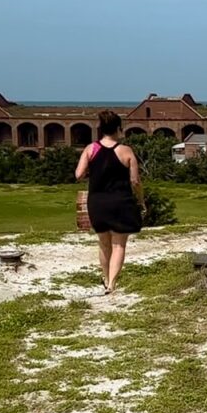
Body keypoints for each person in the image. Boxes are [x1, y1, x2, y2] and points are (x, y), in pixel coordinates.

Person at [75, 110, 144, 293]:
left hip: (97, 202)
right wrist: (141, 200)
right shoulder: (126, 151)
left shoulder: (91, 148)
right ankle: (112, 283)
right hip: (121, 202)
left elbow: (79, 174)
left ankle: (106, 279)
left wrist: (95, 170)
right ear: (118, 129)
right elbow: (135, 181)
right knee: (119, 244)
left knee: (103, 243)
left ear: (101, 129)